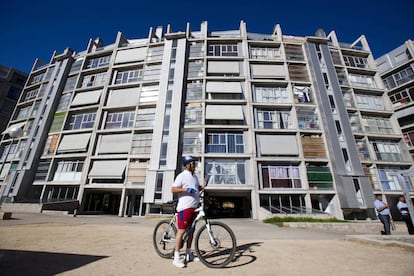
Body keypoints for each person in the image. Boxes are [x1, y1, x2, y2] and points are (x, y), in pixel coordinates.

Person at [171, 155, 203, 268]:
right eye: (191, 163)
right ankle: (176, 258)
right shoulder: (182, 175)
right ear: (186, 165)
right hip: (184, 208)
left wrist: (203, 185)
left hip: (194, 208)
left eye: (194, 163)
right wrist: (185, 189)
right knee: (181, 232)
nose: (194, 165)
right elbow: (173, 189)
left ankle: (188, 254)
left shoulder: (194, 177)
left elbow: (197, 188)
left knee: (191, 232)